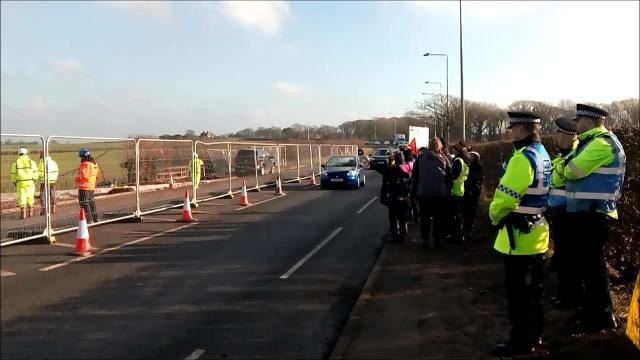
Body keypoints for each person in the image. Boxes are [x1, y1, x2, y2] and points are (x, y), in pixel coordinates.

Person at [490, 111, 551, 356]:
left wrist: (494, 217)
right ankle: (535, 335)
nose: (509, 132)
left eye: (511, 127)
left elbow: (504, 199)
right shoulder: (543, 154)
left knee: (518, 296)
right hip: (537, 233)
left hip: (519, 239)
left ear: (522, 129)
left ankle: (521, 342)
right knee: (534, 292)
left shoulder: (521, 158)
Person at [561, 103, 626, 332]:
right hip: (588, 213)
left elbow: (571, 170)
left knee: (594, 268)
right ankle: (592, 311)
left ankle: (602, 317)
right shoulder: (591, 143)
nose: (576, 125)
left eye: (578, 121)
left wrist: (566, 165)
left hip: (595, 214)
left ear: (588, 121)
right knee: (588, 267)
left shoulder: (601, 144)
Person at [547, 117, 581, 310]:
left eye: (558, 133)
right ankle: (565, 294)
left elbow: (564, 180)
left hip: (570, 213)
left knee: (569, 257)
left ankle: (570, 297)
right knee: (562, 255)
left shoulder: (574, 156)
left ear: (568, 136)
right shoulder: (562, 156)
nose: (555, 137)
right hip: (560, 212)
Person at [412, 137, 452, 248]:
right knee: (438, 218)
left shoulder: (420, 159)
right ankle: (437, 240)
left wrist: (414, 192)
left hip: (423, 193)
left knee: (424, 218)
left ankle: (425, 240)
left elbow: (414, 176)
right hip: (439, 193)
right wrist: (447, 190)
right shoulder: (444, 159)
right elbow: (450, 176)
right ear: (440, 146)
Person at [377, 151, 412, 242]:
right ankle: (402, 234)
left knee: (393, 218)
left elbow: (384, 172)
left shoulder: (393, 170)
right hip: (405, 198)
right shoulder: (407, 169)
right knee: (402, 217)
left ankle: (396, 236)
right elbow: (410, 183)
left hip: (395, 199)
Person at [449, 142, 470, 242]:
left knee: (455, 216)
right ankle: (459, 235)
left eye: (454, 149)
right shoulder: (464, 161)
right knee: (459, 215)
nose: (453, 151)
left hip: (455, 191)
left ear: (458, 151)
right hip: (461, 190)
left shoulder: (457, 161)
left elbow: (453, 176)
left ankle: (457, 236)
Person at [10, 148, 38, 219]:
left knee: (22, 198)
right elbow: (35, 172)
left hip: (20, 182)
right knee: (30, 197)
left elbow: (13, 174)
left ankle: (23, 215)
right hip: (30, 182)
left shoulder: (16, 163)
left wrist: (14, 182)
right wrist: (35, 180)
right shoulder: (32, 162)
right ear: (26, 153)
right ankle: (31, 214)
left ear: (19, 154)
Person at [463, 149, 485, 236]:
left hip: (475, 190)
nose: (471, 157)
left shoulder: (479, 165)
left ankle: (470, 225)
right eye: (470, 156)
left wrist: (473, 180)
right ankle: (467, 225)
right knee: (467, 208)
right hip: (467, 189)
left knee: (472, 208)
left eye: (473, 156)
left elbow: (481, 176)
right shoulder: (467, 165)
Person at [75, 148, 100, 223]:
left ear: (83, 156)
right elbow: (97, 175)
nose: (81, 158)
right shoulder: (94, 163)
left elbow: (83, 175)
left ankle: (89, 219)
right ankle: (95, 218)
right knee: (91, 202)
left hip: (84, 186)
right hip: (91, 186)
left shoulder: (85, 163)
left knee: (84, 203)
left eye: (81, 157)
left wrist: (76, 178)